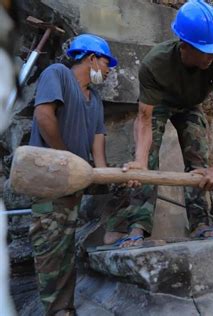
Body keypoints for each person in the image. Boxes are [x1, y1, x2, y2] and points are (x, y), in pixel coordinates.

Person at [117, 0, 213, 240]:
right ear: (185, 46)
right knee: (146, 162)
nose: (212, 57)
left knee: (198, 159)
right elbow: (144, 118)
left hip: (191, 105)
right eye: (206, 51)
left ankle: (201, 224)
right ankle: (138, 226)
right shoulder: (155, 63)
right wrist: (140, 161)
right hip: (160, 104)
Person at [28, 34, 118, 315]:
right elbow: (44, 115)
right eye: (106, 63)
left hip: (74, 182)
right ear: (91, 57)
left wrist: (109, 177)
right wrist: (65, 158)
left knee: (64, 246)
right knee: (51, 247)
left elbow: (98, 144)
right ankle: (58, 310)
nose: (108, 69)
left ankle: (64, 308)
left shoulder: (96, 99)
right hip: (49, 179)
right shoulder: (57, 74)